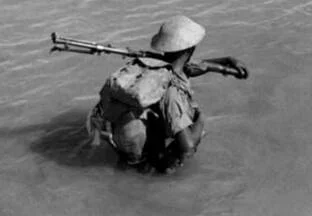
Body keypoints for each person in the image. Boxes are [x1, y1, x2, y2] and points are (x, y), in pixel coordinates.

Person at [89, 15, 246, 174]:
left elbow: (198, 66)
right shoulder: (172, 91)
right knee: (191, 135)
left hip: (115, 129)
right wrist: (201, 120)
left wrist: (226, 62)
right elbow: (188, 148)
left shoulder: (152, 64)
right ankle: (150, 169)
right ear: (190, 49)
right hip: (137, 146)